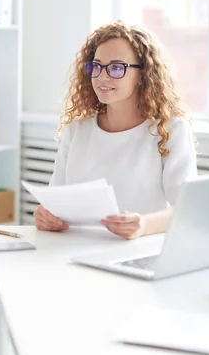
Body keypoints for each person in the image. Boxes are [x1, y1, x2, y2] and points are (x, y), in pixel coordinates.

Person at [34, 21, 197, 239]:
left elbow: (187, 208)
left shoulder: (171, 130)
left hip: (137, 252)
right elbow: (53, 201)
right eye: (97, 66)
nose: (102, 76)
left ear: (143, 75)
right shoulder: (77, 130)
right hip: (73, 249)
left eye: (117, 68)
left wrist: (144, 225)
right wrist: (45, 215)